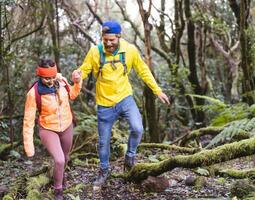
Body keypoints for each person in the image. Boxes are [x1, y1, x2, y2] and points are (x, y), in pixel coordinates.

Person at [72, 20, 170, 186]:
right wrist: (77, 76)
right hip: (104, 104)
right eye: (105, 40)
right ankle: (104, 171)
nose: (108, 43)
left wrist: (157, 90)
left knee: (138, 128)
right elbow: (84, 69)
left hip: (125, 99)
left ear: (119, 37)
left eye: (112, 40)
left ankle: (130, 157)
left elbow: (143, 70)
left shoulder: (130, 50)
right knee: (103, 142)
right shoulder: (95, 52)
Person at [23, 59, 82, 200]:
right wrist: (29, 147)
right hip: (48, 129)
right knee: (60, 160)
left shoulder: (62, 83)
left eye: (52, 77)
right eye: (46, 78)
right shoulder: (34, 93)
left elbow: (73, 94)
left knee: (66, 158)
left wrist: (77, 81)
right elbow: (28, 121)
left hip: (67, 126)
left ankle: (61, 176)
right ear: (40, 75)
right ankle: (58, 191)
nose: (50, 80)